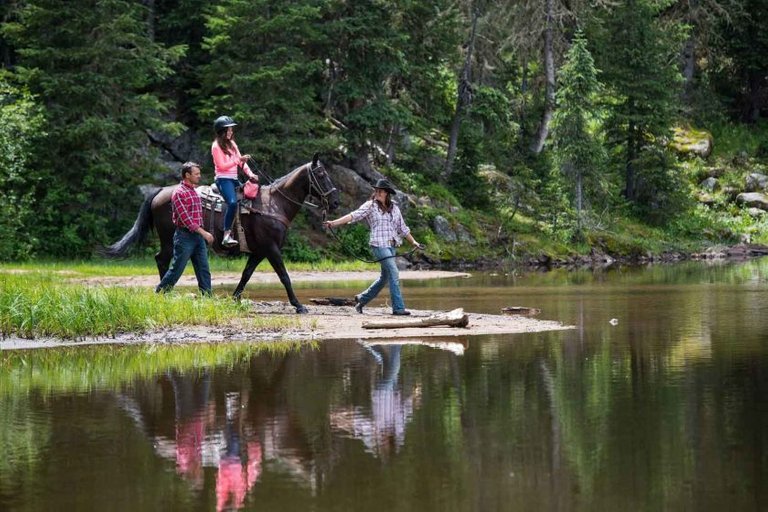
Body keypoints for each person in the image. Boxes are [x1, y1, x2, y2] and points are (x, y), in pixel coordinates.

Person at [323, 179, 423, 316]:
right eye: (376, 190)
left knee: (385, 277)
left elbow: (403, 228)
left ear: (387, 193)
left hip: (392, 246)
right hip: (378, 245)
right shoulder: (370, 206)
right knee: (394, 272)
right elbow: (353, 215)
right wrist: (333, 223)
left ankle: (362, 299)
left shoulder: (395, 208)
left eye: (380, 191)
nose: (377, 193)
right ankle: (398, 308)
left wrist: (414, 242)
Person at [156, 162, 214, 295]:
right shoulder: (179, 193)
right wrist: (204, 233)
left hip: (197, 238)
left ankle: (207, 298)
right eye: (196, 174)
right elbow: (186, 219)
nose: (199, 176)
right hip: (184, 237)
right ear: (187, 175)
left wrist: (201, 234)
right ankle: (160, 293)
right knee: (177, 269)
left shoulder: (193, 191)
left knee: (203, 269)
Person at [211, 115, 259, 247]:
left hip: (233, 179)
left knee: (252, 195)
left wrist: (251, 174)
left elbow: (242, 163)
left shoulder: (232, 144)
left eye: (231, 130)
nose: (231, 132)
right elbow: (222, 166)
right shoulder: (216, 146)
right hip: (223, 179)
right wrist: (239, 160)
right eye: (229, 130)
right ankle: (226, 234)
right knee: (232, 203)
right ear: (222, 131)